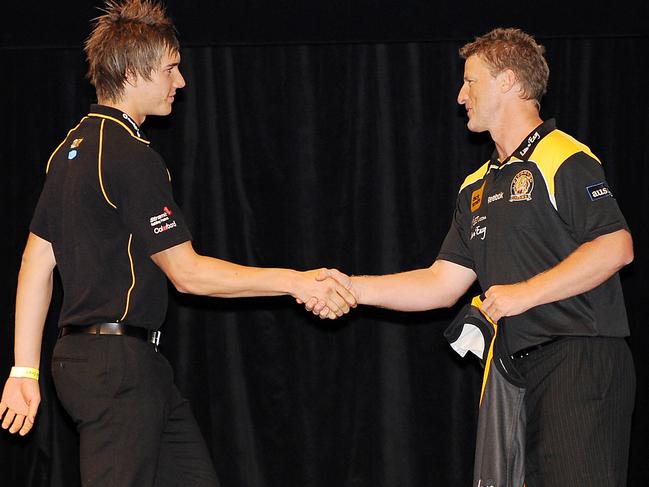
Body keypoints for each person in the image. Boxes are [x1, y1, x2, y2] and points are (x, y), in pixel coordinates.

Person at [0, 1, 355, 485]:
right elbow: (186, 274)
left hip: (122, 367)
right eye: (171, 68)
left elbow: (34, 264)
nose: (181, 81)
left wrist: (26, 369)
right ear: (133, 73)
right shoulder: (130, 154)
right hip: (115, 369)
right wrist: (295, 282)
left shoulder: (68, 150)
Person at [313, 28, 635, 486]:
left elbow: (616, 245)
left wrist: (523, 294)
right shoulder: (476, 186)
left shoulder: (563, 156)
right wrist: (350, 287)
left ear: (507, 81)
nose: (461, 94)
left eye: (471, 81)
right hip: (512, 369)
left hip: (579, 360)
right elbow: (441, 283)